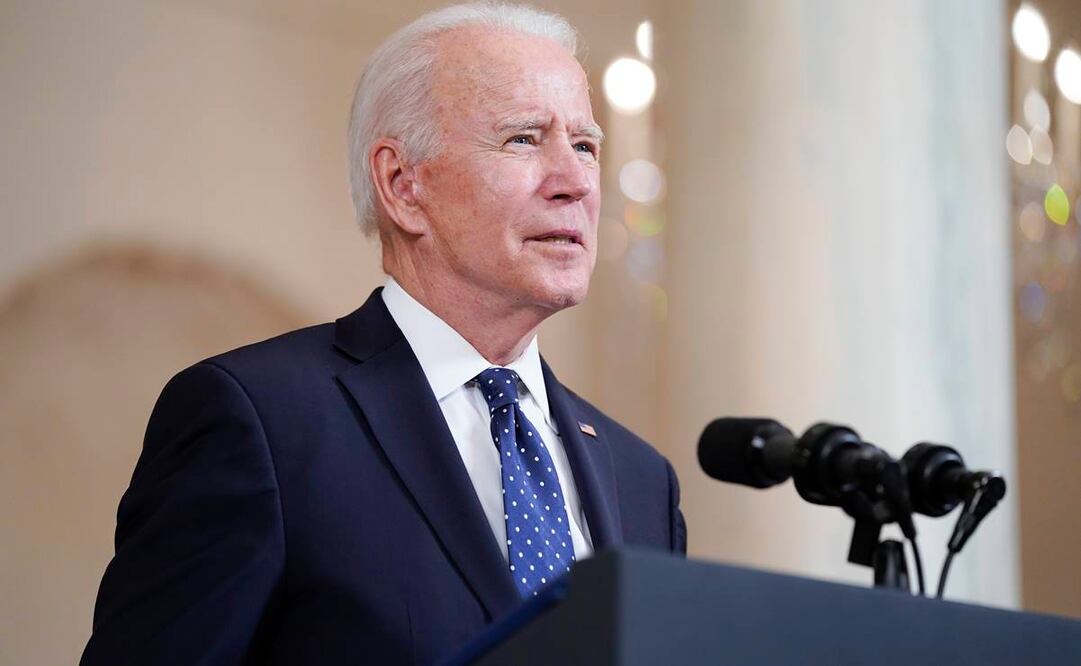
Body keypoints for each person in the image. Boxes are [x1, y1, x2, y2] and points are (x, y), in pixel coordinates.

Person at [81, 3, 685, 664]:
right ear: (402, 185)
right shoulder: (262, 423)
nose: (574, 183)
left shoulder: (641, 479)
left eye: (585, 146)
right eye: (522, 138)